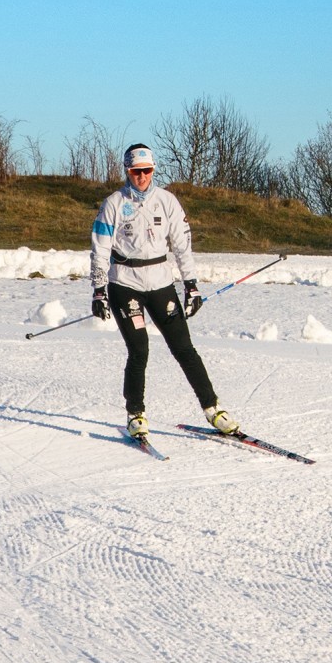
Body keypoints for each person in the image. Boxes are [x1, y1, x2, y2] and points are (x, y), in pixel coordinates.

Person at [90, 143, 238, 440]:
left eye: (146, 171)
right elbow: (100, 248)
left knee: (184, 348)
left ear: (153, 169)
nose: (141, 176)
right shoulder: (114, 204)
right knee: (139, 349)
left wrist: (192, 285)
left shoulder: (167, 201)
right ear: (127, 171)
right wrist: (98, 289)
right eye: (135, 171)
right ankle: (135, 414)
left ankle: (213, 409)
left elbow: (182, 246)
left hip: (161, 284)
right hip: (125, 284)